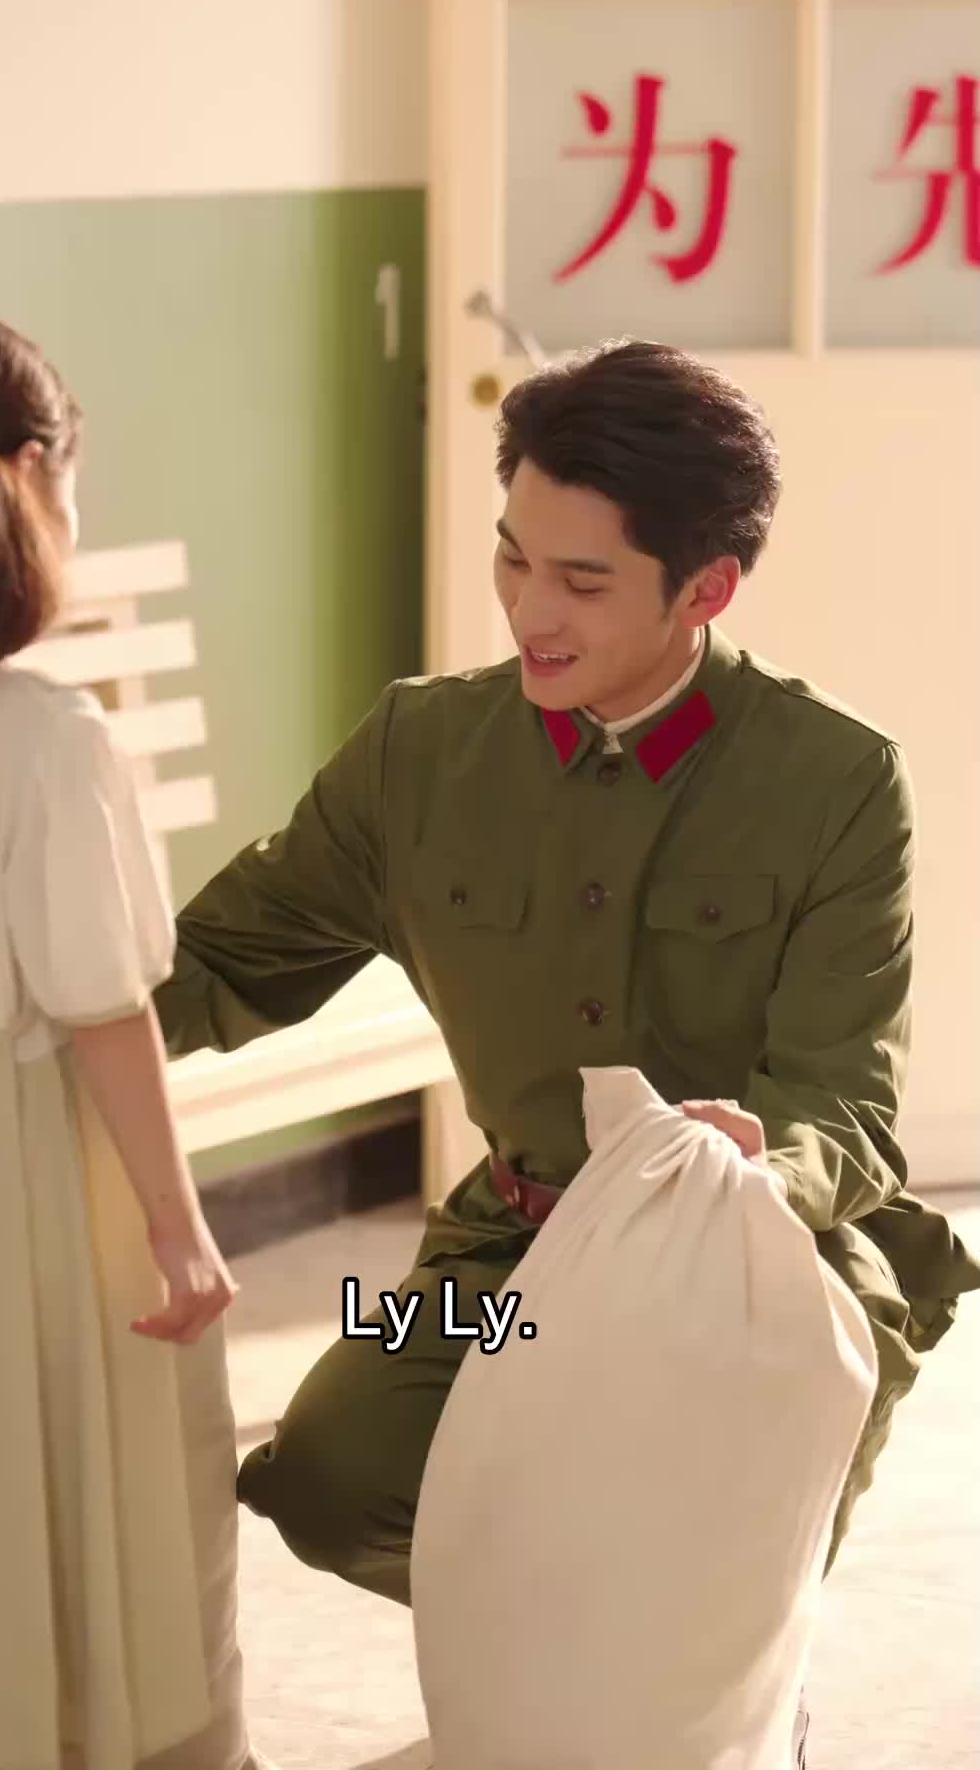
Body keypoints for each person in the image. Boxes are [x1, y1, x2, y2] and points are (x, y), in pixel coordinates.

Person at [154, 339, 980, 1765]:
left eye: (583, 582)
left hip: (759, 1273)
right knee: (327, 1477)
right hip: (510, 1270)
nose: (531, 612)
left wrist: (759, 1167)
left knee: (720, 1528)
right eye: (513, 558)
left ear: (706, 589)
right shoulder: (419, 752)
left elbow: (849, 1098)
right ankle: (619, 1663)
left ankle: (713, 1678)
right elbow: (221, 961)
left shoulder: (838, 781)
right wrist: (7, 1023)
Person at [0, 312, 271, 1770]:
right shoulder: (49, 740)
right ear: (39, 478)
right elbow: (102, 1006)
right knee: (62, 1472)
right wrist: (179, 1228)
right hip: (16, 1171)